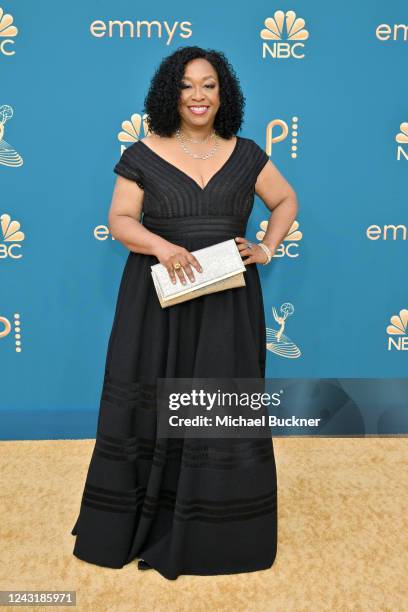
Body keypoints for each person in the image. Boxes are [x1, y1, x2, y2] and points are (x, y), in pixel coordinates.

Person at [70, 45, 298, 580]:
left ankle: (217, 534)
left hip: (228, 302)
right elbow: (121, 219)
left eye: (209, 85)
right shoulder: (143, 152)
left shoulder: (247, 155)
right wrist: (162, 248)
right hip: (158, 300)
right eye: (187, 85)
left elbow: (285, 201)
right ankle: (141, 524)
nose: (198, 95)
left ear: (224, 95)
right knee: (149, 405)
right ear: (170, 94)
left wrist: (265, 247)